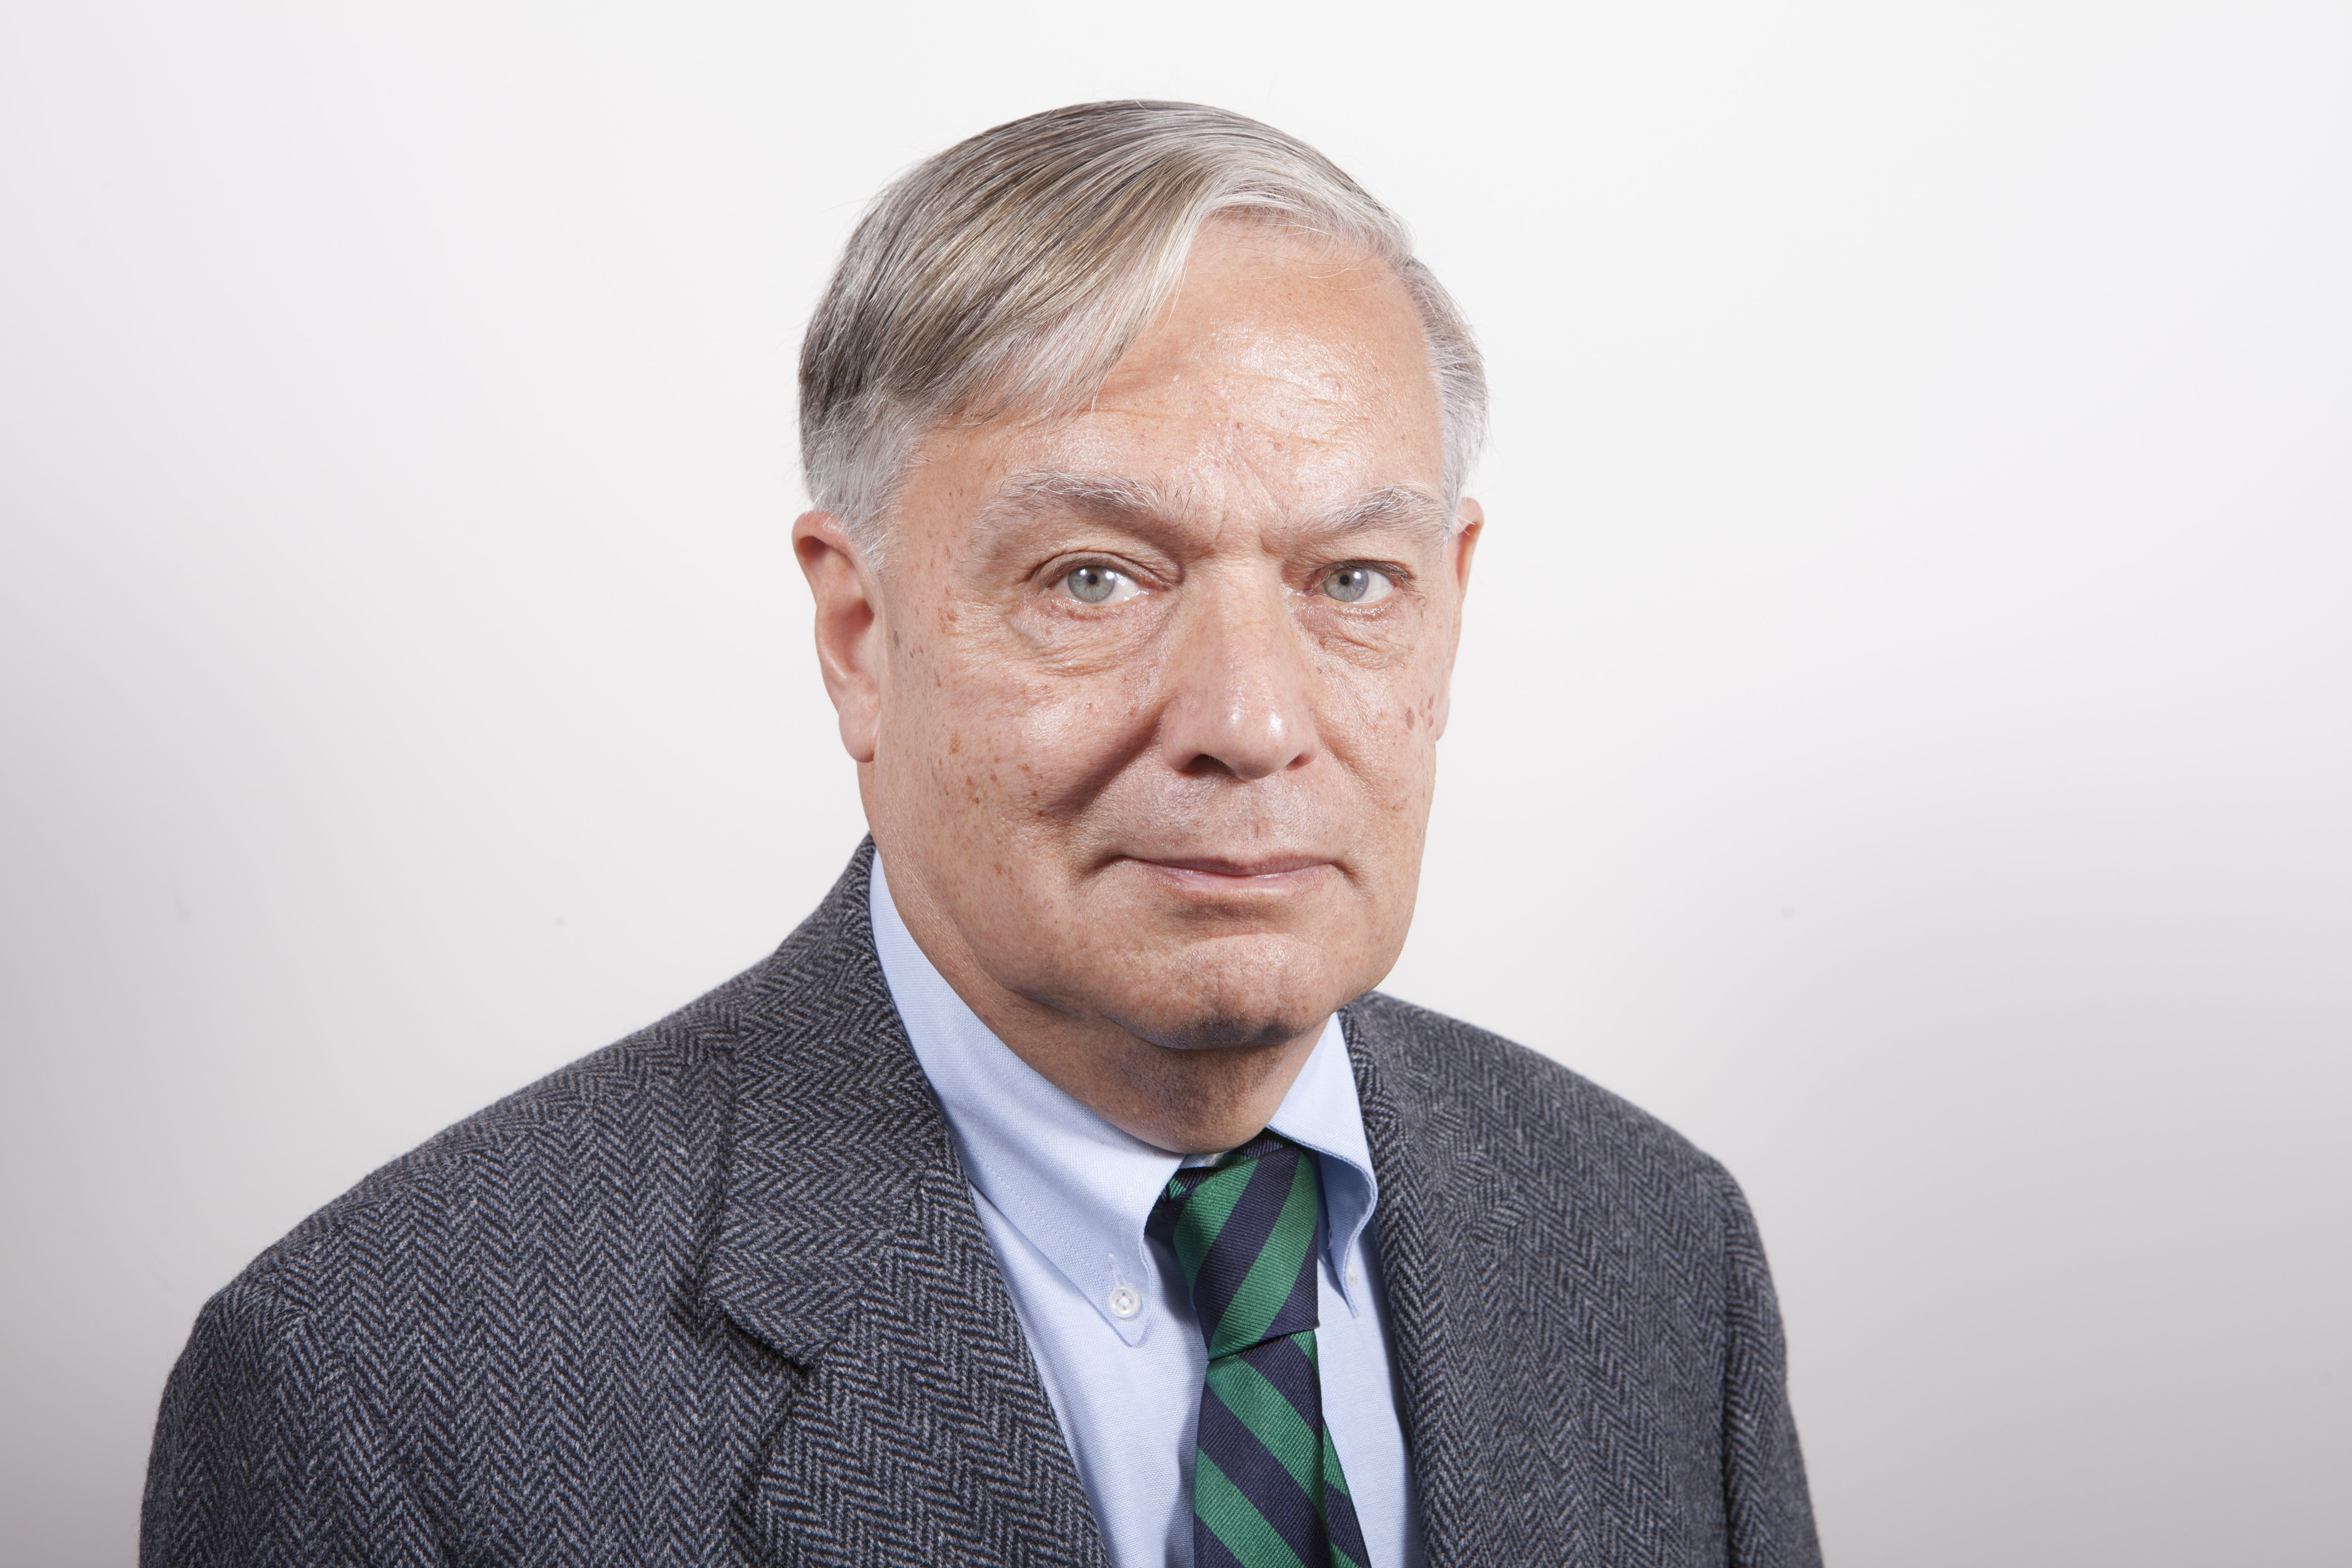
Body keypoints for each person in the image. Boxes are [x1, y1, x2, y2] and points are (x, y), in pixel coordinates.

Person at [142, 101, 1821, 1567]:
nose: (1250, 720)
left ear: (1450, 607)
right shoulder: (382, 1394)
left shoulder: (1654, 1244)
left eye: (1351, 582)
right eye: (1096, 576)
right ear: (862, 635)